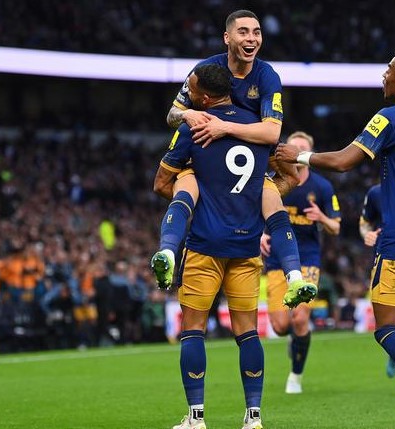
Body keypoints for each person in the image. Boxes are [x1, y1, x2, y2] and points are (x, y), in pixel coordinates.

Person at [277, 48, 395, 429]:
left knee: (387, 329)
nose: (384, 75)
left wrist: (301, 156)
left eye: (389, 69)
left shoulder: (389, 116)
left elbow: (344, 162)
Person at [151, 9, 316, 309]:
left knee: (288, 176)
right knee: (268, 198)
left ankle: (169, 249)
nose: (251, 38)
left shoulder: (266, 76)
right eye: (243, 32)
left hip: (253, 151)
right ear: (227, 38)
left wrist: (224, 127)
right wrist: (187, 114)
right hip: (211, 153)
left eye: (256, 32)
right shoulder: (204, 71)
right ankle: (294, 275)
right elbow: (172, 114)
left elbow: (272, 132)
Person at [154, 64, 271, 429]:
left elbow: (161, 183)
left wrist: (194, 184)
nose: (186, 95)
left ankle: (196, 418)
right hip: (247, 245)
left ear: (204, 98)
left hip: (205, 243)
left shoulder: (193, 126)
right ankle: (253, 418)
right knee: (247, 332)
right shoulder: (257, 126)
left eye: (190, 90)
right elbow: (278, 176)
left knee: (193, 329)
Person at [260, 131, 341, 394]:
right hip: (276, 260)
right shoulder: (275, 182)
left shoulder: (322, 187)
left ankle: (295, 376)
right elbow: (256, 212)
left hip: (308, 259)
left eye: (301, 148)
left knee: (299, 318)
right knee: (280, 326)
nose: (295, 152)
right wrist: (261, 234)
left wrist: (322, 218)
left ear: (309, 153)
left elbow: (336, 228)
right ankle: (294, 340)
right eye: (292, 146)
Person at [360, 184, 395, 399]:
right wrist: (367, 234)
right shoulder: (376, 193)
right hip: (385, 261)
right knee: (389, 324)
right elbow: (364, 223)